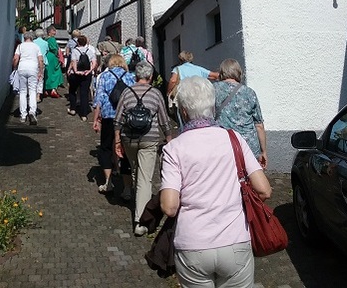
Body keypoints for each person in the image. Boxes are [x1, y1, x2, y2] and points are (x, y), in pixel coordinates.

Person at [160, 76, 272, 288]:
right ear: (212, 107)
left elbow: (169, 206)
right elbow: (264, 190)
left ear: (183, 111)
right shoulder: (234, 138)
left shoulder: (173, 148)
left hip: (193, 244)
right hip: (235, 240)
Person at [114, 61, 172, 236]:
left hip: (129, 139)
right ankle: (141, 221)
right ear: (151, 76)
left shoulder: (127, 92)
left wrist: (117, 141)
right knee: (145, 179)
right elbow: (164, 120)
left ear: (135, 76)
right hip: (149, 139)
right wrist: (169, 139)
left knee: (136, 172)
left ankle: (138, 202)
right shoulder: (155, 93)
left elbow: (118, 120)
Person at [92, 54, 135, 194]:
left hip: (109, 116)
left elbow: (99, 99)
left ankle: (108, 182)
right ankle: (127, 188)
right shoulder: (130, 77)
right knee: (125, 149)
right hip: (126, 117)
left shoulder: (105, 76)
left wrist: (96, 119)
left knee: (106, 148)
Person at [214, 58, 268, 169]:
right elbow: (259, 125)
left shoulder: (213, 90)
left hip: (224, 144)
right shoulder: (249, 93)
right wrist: (263, 151)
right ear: (239, 72)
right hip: (248, 146)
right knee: (250, 176)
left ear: (222, 72)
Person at [12, 30, 43, 125]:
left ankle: (23, 115)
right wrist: (40, 71)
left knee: (23, 91)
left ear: (24, 38)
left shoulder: (20, 46)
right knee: (33, 91)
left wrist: (14, 67)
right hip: (33, 68)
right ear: (32, 38)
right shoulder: (36, 46)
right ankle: (32, 111)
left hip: (22, 68)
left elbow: (16, 58)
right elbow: (40, 60)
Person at [68, 35, 97, 121]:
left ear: (78, 42)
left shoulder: (74, 51)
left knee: (72, 90)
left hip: (75, 74)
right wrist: (90, 70)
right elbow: (94, 63)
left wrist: (75, 71)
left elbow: (73, 61)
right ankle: (84, 114)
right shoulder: (90, 51)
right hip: (86, 74)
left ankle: (73, 109)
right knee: (84, 93)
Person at [44, 25, 64, 98]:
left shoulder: (45, 39)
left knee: (48, 73)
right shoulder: (52, 39)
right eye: (54, 31)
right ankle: (53, 89)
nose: (55, 32)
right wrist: (58, 55)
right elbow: (54, 49)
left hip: (47, 56)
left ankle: (46, 89)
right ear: (50, 32)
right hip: (52, 57)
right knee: (56, 72)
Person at [33, 28, 49, 102]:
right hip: (42, 62)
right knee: (40, 79)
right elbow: (47, 51)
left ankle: (32, 94)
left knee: (33, 78)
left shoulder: (33, 42)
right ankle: (38, 96)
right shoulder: (45, 43)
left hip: (34, 61)